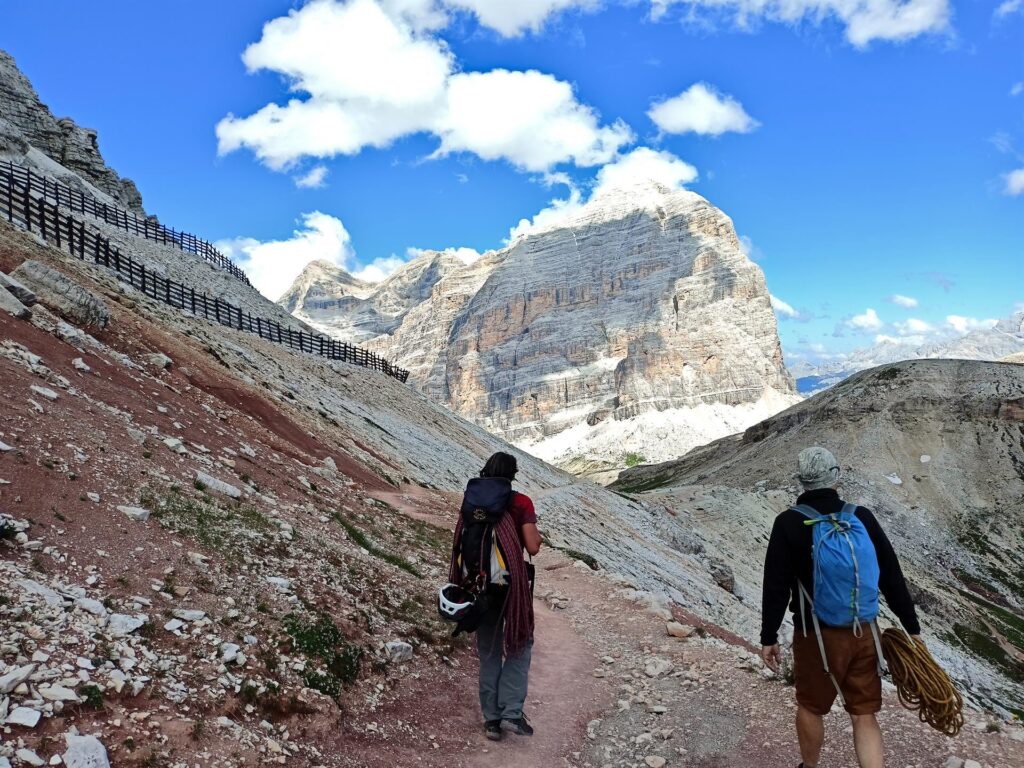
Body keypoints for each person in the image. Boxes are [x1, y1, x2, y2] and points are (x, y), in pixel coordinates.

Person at [760, 447, 921, 768]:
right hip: (865, 633)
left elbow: (775, 586)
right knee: (864, 715)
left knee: (810, 707)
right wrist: (912, 629)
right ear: (836, 476)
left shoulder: (788, 523)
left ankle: (810, 766)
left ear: (802, 482)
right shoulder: (861, 517)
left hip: (816, 636)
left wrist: (769, 637)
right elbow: (891, 576)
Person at [448, 451, 541, 742]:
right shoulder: (520, 502)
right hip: (510, 592)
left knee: (488, 654)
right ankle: (512, 713)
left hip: (479, 590)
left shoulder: (471, 503)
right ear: (512, 475)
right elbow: (533, 547)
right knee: (519, 643)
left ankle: (492, 722)